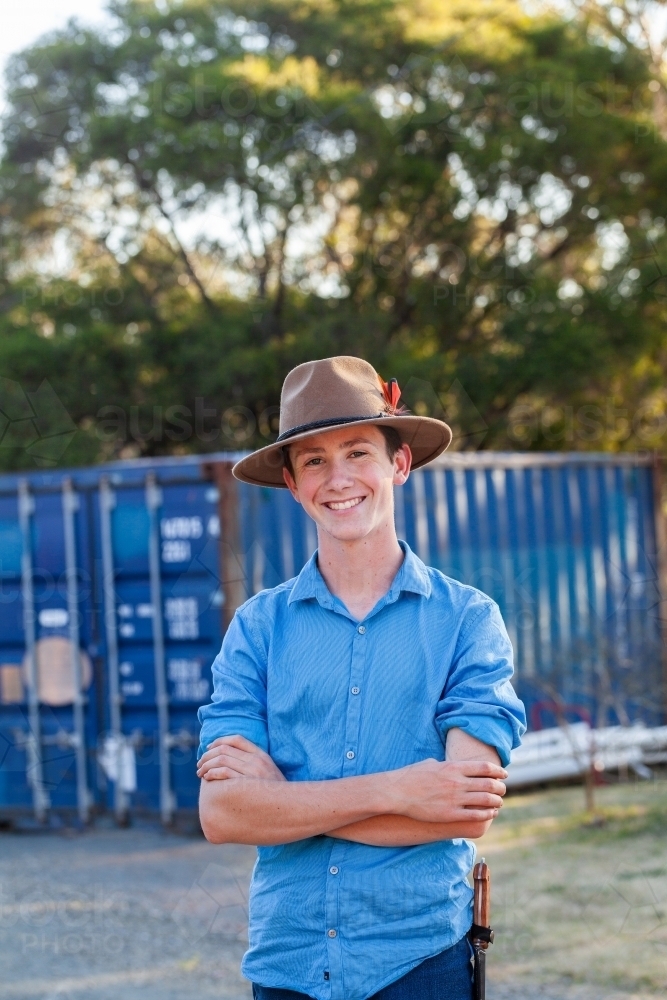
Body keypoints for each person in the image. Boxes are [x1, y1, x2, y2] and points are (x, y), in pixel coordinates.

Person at [196, 356, 526, 1000]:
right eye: (314, 460)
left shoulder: (468, 620)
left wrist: (285, 802)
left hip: (420, 962)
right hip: (286, 964)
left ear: (398, 465)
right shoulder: (257, 629)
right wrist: (405, 788)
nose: (338, 479)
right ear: (291, 483)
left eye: (357, 453)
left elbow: (466, 808)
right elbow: (223, 812)